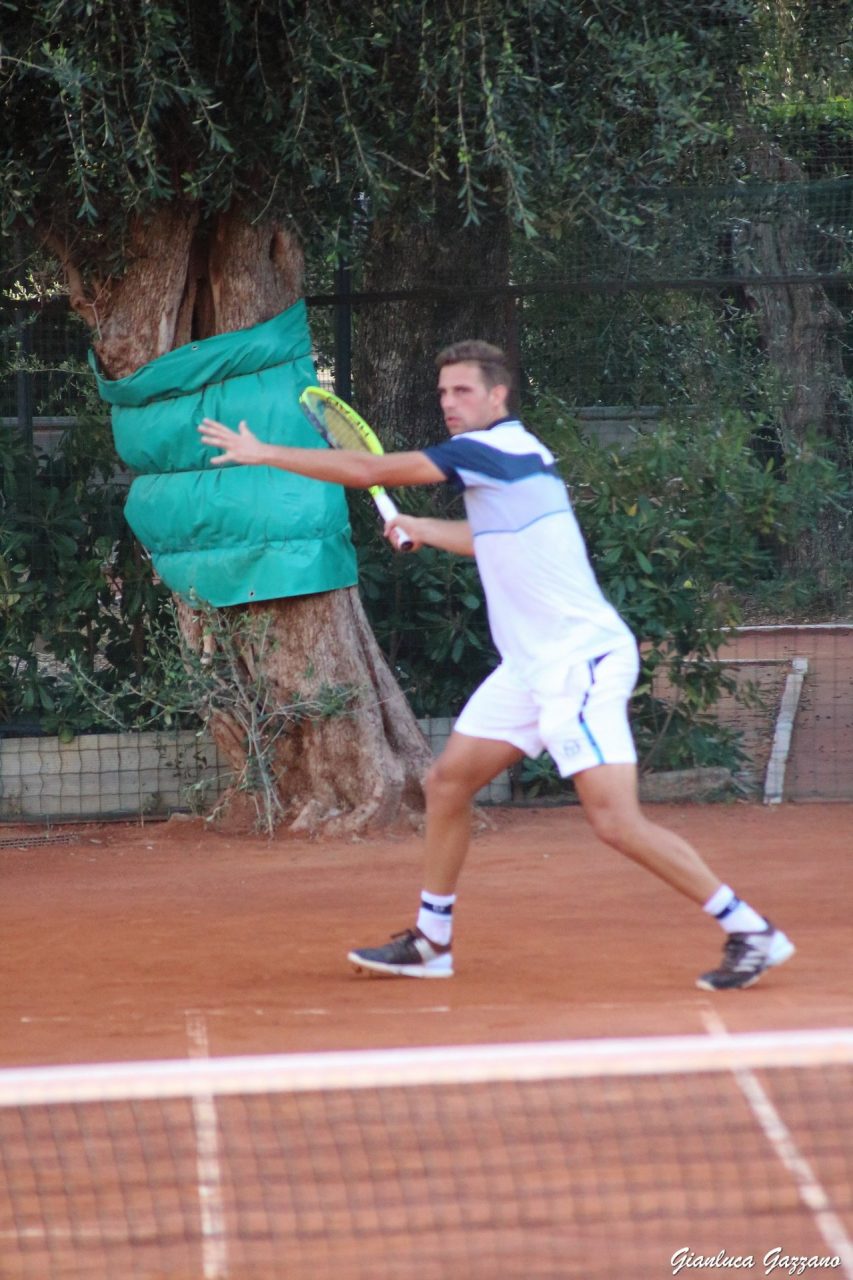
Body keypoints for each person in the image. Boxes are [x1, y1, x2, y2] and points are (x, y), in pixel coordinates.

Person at [198, 340, 795, 991]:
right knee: (447, 783)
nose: (449, 403)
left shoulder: (491, 449)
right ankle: (432, 940)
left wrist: (266, 453)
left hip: (578, 661)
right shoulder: (513, 459)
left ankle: (750, 930)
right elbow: (493, 541)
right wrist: (425, 529)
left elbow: (370, 469)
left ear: (497, 396)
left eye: (462, 391)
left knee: (615, 822)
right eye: (443, 393)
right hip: (528, 668)